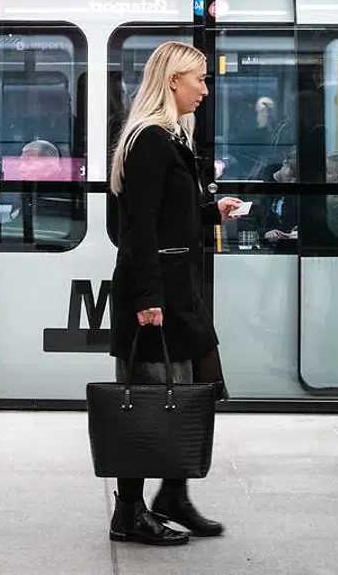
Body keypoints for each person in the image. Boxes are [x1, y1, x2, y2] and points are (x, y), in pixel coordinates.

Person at [107, 40, 243, 546]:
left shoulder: (170, 136)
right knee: (147, 402)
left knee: (191, 392)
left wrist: (211, 212)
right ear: (172, 82)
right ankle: (129, 512)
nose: (205, 90)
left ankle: (173, 493)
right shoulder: (149, 139)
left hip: (179, 289)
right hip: (156, 290)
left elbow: (168, 213)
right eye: (199, 80)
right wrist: (147, 299)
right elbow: (138, 227)